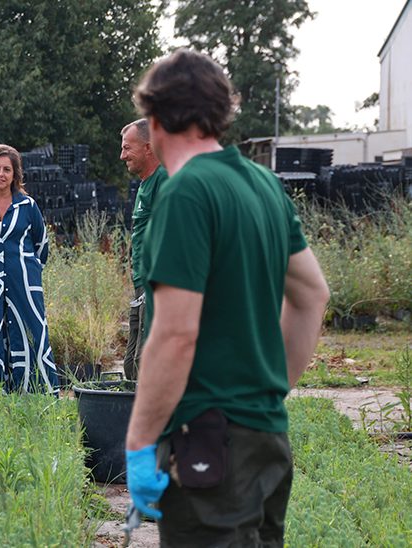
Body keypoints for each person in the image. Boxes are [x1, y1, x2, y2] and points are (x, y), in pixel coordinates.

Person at [124, 49, 329, 546]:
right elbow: (312, 295)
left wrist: (138, 442)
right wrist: (268, 389)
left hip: (209, 443)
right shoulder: (262, 185)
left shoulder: (184, 192)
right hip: (266, 441)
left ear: (153, 119)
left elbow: (175, 334)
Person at [0, 144, 59, 394]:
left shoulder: (27, 206)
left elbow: (42, 246)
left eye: (7, 169)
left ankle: (36, 394)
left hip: (25, 284)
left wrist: (27, 271)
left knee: (31, 333)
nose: (1, 174)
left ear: (15, 174)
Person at [120, 118, 167, 381]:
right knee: (131, 362)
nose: (122, 155)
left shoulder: (165, 180)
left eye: (128, 148)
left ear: (148, 148)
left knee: (145, 360)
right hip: (141, 283)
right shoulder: (145, 183)